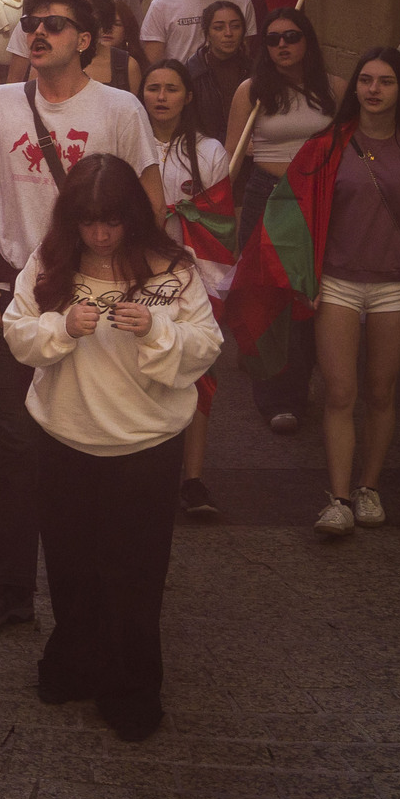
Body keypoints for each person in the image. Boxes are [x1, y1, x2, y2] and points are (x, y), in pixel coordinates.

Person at [0, 0, 165, 633]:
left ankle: (101, 584)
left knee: (91, 438)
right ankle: (9, 587)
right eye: (31, 23)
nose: (38, 32)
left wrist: (142, 285)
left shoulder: (120, 109)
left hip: (98, 289)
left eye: (55, 24)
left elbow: (150, 200)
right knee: (16, 443)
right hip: (19, 292)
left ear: (86, 39)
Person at [2, 154, 220, 742]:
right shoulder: (50, 261)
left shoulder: (174, 269)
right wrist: (60, 328)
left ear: (133, 217)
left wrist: (156, 329)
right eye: (88, 222)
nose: (100, 235)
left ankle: (131, 688)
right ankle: (74, 664)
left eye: (113, 222)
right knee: (70, 566)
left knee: (135, 576)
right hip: (64, 437)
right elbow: (17, 332)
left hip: (146, 444)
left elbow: (207, 345)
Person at [280, 50, 400, 538]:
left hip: (395, 286)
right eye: (366, 80)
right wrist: (305, 278)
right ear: (354, 87)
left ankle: (369, 488)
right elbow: (292, 211)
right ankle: (338, 499)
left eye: (386, 81)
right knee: (340, 392)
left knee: (381, 391)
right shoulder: (327, 145)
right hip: (337, 282)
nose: (374, 89)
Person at [226, 7, 342, 435]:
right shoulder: (252, 91)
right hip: (268, 195)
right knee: (268, 296)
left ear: (307, 40)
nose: (282, 45)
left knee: (312, 294)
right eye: (273, 39)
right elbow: (231, 157)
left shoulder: (335, 89)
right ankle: (276, 397)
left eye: (291, 36)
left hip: (320, 198)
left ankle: (303, 382)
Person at [140, 58, 232, 520]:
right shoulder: (127, 142)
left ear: (188, 96)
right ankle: (146, 466)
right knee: (142, 367)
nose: (161, 97)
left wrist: (183, 213)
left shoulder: (210, 151)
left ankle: (193, 478)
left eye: (172, 88)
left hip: (192, 276)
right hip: (138, 274)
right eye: (153, 87)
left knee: (196, 371)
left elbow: (220, 223)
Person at [185, 0, 254, 144]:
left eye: (235, 26)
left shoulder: (255, 71)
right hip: (206, 149)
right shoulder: (191, 73)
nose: (228, 33)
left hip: (253, 149)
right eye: (218, 28)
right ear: (207, 33)